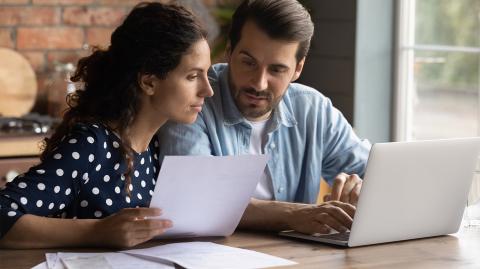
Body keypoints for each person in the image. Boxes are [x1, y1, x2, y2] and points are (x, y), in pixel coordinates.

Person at [0, 2, 213, 249]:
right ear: (149, 82)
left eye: (206, 74)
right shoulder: (92, 145)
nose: (207, 90)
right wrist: (98, 230)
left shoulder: (158, 145)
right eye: (193, 76)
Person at [157, 0, 371, 235]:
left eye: (277, 69)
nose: (258, 83)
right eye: (248, 62)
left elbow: (372, 173)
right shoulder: (194, 103)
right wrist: (293, 215)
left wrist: (362, 187)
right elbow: (196, 199)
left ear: (298, 68)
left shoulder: (314, 109)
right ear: (229, 51)